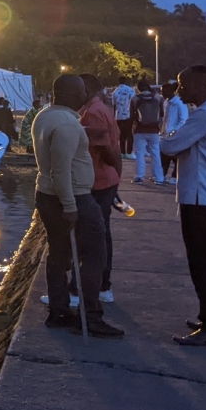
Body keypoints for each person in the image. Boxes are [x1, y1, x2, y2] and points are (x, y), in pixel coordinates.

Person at [32, 74, 122, 337]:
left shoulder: (45, 116)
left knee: (58, 255)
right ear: (72, 95)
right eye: (82, 90)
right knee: (95, 253)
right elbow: (61, 171)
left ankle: (59, 312)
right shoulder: (68, 125)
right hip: (73, 197)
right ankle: (90, 316)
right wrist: (70, 206)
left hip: (47, 194)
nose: (86, 94)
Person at [161, 65, 206, 345]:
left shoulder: (204, 115)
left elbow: (169, 146)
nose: (179, 91)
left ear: (200, 86)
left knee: (201, 263)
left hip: (199, 198)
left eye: (183, 85)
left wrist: (167, 137)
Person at [78, 74, 122, 304]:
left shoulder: (92, 113)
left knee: (94, 237)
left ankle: (95, 288)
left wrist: (114, 172)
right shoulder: (101, 108)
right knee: (101, 234)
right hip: (106, 179)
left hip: (98, 180)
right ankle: (102, 286)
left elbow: (105, 149)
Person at [131, 79, 165, 184]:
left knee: (140, 153)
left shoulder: (135, 99)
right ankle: (159, 178)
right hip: (154, 129)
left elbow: (132, 115)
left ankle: (139, 177)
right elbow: (162, 114)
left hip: (140, 129)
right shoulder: (158, 98)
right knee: (155, 154)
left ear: (139, 88)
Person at [112, 77, 136, 160]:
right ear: (126, 81)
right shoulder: (131, 90)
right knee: (129, 134)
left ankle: (122, 152)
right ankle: (129, 152)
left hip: (118, 116)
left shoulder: (115, 92)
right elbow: (133, 103)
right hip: (128, 115)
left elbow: (114, 105)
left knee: (122, 135)